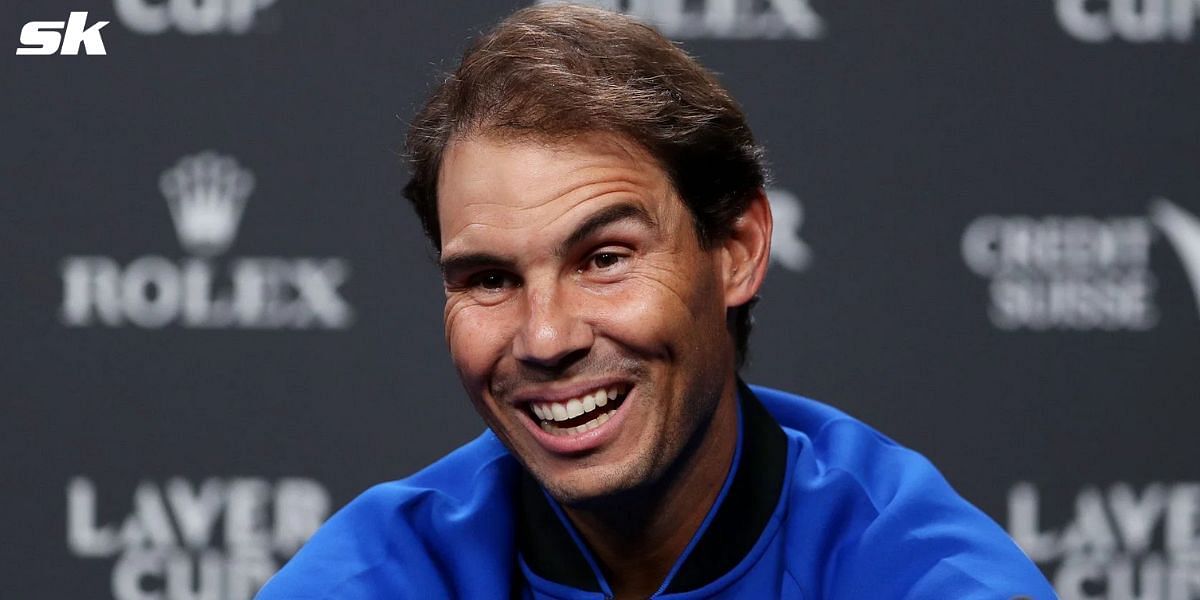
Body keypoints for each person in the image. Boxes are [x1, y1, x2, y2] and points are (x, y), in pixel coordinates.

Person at [257, 5, 1056, 599]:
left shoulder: (927, 575)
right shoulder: (380, 573)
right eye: (490, 279)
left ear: (736, 252)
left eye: (604, 259)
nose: (545, 337)